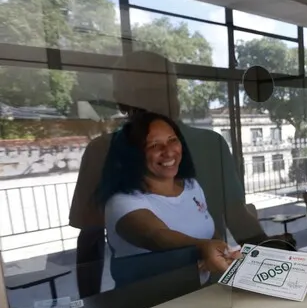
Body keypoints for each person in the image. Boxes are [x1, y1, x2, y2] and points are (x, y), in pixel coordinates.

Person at [69, 51, 267, 296]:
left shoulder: (209, 150)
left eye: (167, 90)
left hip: (214, 286)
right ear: (122, 101)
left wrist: (275, 262)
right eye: (147, 93)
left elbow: (236, 216)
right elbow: (97, 237)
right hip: (147, 300)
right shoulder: (103, 152)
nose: (160, 101)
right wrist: (89, 307)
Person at [96, 111, 239, 281]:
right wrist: (203, 247)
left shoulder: (191, 186)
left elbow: (209, 231)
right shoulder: (122, 201)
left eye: (172, 140)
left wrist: (223, 251)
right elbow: (156, 236)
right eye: (154, 145)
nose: (169, 152)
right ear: (133, 155)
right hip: (148, 303)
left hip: (198, 297)